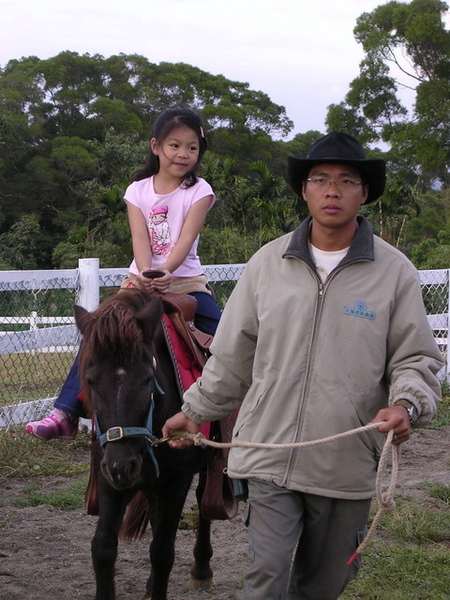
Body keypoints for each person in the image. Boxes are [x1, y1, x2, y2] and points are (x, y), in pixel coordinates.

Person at [162, 131, 443, 600]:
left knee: (322, 584)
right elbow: (233, 353)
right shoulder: (267, 264)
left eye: (346, 180)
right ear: (305, 190)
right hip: (270, 452)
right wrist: (195, 410)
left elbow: (416, 357)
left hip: (346, 460)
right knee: (265, 579)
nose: (332, 190)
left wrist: (406, 405)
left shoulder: (395, 273)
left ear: (364, 192)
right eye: (320, 179)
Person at [26, 107, 221, 441]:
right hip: (138, 281)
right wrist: (146, 274)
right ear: (156, 146)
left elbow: (186, 239)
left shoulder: (199, 190)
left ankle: (235, 417)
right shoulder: (137, 190)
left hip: (186, 281)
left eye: (192, 147)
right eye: (175, 145)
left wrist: (165, 272)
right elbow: (139, 237)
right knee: (97, 332)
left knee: (226, 338)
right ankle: (65, 411)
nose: (183, 154)